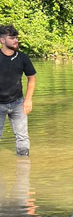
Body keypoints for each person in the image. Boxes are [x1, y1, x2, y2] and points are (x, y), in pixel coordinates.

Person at [0, 24, 36, 158]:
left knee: (23, 138)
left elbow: (31, 79)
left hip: (18, 103)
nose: (16, 40)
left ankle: (24, 166)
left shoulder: (23, 58)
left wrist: (28, 100)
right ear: (2, 40)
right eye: (12, 38)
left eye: (16, 37)